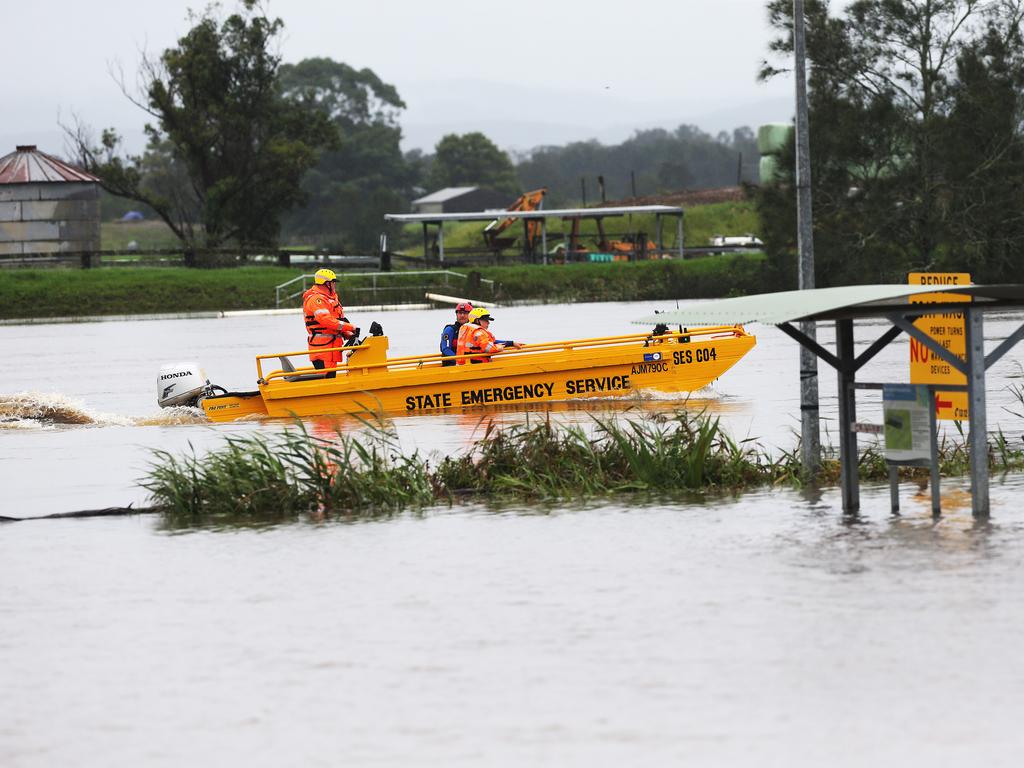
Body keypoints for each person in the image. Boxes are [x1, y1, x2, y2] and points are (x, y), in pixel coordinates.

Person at [302, 268, 358, 378]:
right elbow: (326, 320)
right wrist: (350, 327)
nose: (334, 285)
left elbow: (336, 322)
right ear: (327, 283)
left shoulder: (329, 299)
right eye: (333, 282)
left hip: (330, 348)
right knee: (327, 379)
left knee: (330, 378)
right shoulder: (317, 300)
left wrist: (348, 334)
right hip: (322, 349)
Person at [456, 307, 524, 364]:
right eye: (485, 320)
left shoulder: (467, 329)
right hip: (477, 365)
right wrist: (499, 347)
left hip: (465, 364)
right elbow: (489, 348)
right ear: (477, 320)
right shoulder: (478, 332)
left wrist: (511, 343)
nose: (488, 322)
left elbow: (492, 341)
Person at [440, 301, 473, 366]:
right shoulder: (450, 330)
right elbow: (445, 349)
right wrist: (459, 360)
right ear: (456, 314)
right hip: (452, 366)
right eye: (460, 313)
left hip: (469, 364)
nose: (462, 315)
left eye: (465, 313)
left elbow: (486, 341)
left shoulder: (473, 330)